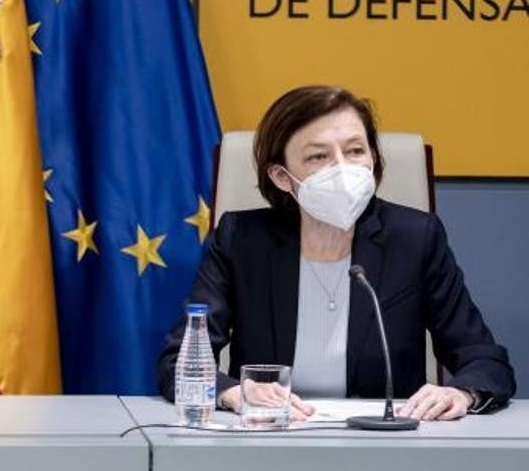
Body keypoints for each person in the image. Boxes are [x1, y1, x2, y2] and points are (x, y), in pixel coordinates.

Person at [157, 85, 515, 420]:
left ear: (374, 157)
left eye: (356, 150)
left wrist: (463, 393)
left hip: (385, 446)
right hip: (269, 437)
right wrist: (233, 392)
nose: (343, 168)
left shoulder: (415, 237)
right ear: (282, 177)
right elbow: (178, 361)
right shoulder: (242, 239)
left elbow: (484, 360)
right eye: (318, 156)